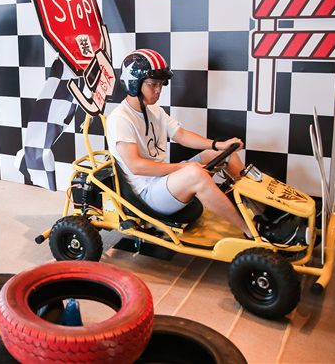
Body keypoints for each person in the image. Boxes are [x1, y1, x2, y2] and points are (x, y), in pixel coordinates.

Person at [107, 50, 305, 244]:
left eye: (160, 84)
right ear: (134, 83)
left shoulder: (154, 109)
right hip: (147, 194)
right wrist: (182, 167)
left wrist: (218, 145)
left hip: (163, 182)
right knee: (195, 174)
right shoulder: (120, 119)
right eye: (152, 84)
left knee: (222, 155)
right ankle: (253, 231)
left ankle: (266, 215)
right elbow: (136, 166)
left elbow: (181, 135)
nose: (158, 90)